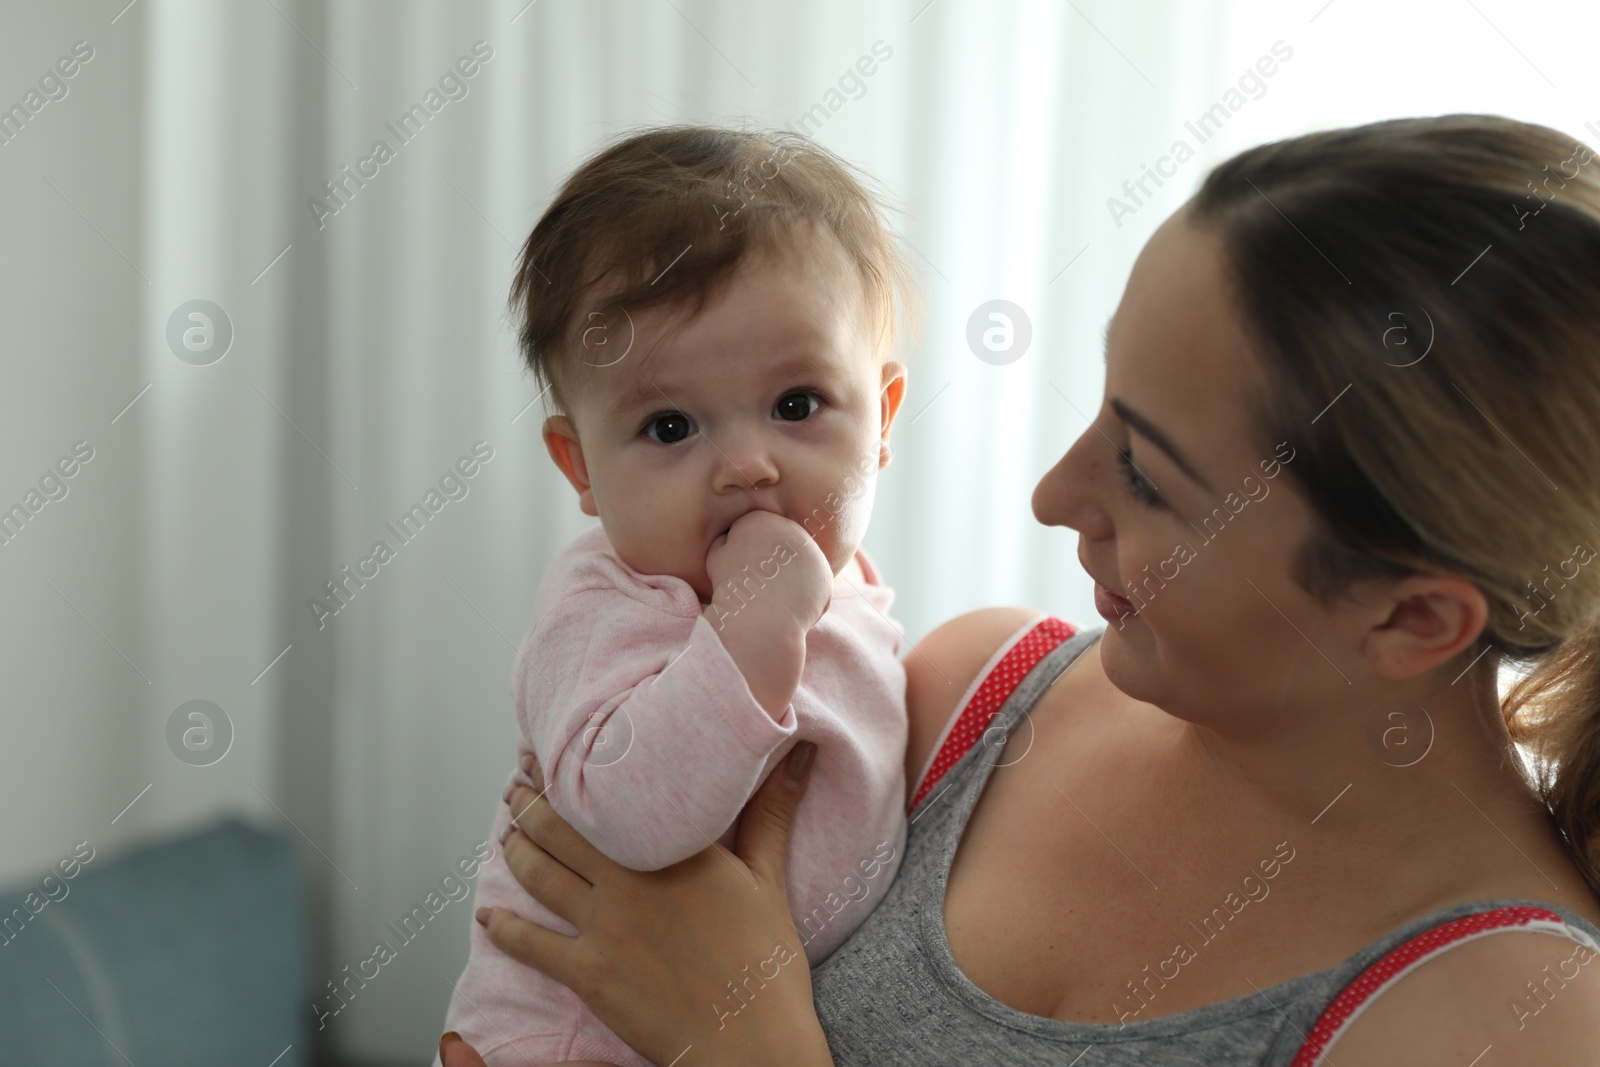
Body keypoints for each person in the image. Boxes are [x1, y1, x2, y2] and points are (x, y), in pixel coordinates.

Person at [444, 114, 1600, 1065]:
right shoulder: (965, 696)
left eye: (1147, 472)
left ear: (1408, 615)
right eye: (1099, 404)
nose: (1054, 494)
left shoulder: (1513, 1023)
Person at [432, 126, 917, 1066]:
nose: (746, 466)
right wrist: (750, 631)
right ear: (581, 467)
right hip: (572, 1036)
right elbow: (636, 819)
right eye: (669, 425)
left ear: (884, 417)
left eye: (796, 404)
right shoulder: (606, 602)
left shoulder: (856, 593)